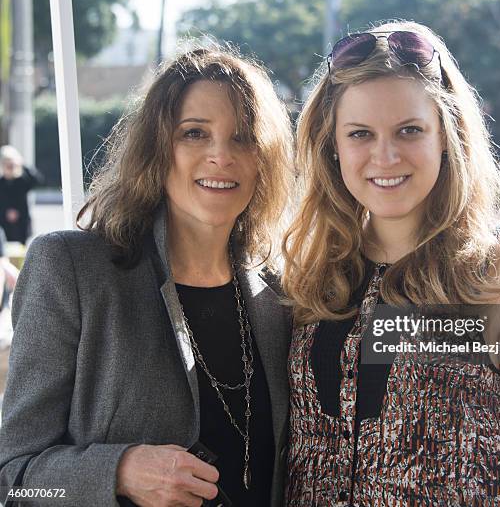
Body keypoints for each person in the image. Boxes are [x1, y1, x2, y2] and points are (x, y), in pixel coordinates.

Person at [282, 20, 500, 505]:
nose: (385, 155)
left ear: (446, 134)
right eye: (360, 133)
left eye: (409, 130)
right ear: (331, 144)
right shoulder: (314, 267)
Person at [0, 43, 293, 507]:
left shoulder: (280, 293)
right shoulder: (70, 268)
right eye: (195, 133)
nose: (222, 156)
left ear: (266, 158)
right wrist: (118, 472)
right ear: (157, 147)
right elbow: (14, 479)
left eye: (243, 137)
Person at [0, 145, 43, 245]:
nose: (10, 168)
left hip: (21, 224)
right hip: (4, 224)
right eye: (7, 165)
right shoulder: (1, 182)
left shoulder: (23, 180)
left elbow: (38, 180)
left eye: (11, 165)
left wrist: (21, 164)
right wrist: (6, 212)